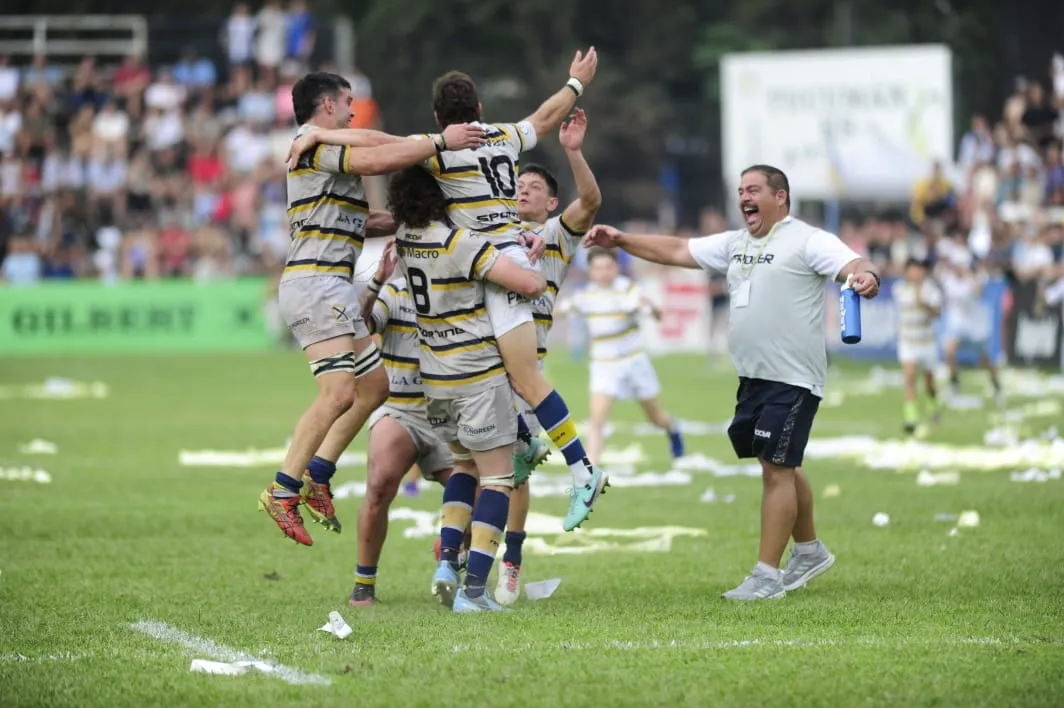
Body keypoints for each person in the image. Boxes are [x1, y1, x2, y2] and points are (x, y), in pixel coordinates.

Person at [583, 164, 881, 601]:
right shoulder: (736, 243)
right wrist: (623, 240)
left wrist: (867, 276)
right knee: (777, 461)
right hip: (753, 377)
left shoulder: (808, 240)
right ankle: (811, 551)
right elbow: (678, 250)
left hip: (793, 377)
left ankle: (766, 576)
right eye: (741, 190)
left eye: (754, 189)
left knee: (777, 469)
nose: (744, 197)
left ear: (781, 197)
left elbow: (855, 262)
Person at [259, 72, 485, 547]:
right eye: (346, 102)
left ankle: (319, 472)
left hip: (331, 282)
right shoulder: (312, 146)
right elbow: (381, 155)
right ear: (325, 107)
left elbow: (369, 213)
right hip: (315, 282)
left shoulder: (322, 143)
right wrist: (440, 143)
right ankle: (283, 490)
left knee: (374, 386)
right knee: (339, 392)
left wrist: (419, 215)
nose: (352, 109)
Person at [389, 165, 547, 612]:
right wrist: (521, 255)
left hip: (434, 378)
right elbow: (530, 285)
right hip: (476, 374)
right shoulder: (458, 242)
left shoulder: (405, 239)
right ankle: (474, 588)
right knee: (498, 480)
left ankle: (445, 568)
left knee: (462, 468)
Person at [493, 109, 605, 605]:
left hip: (524, 366)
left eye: (534, 187)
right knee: (496, 468)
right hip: (484, 363)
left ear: (551, 202)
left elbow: (593, 201)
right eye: (518, 184)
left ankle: (509, 565)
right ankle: (462, 552)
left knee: (508, 476)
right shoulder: (494, 230)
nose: (523, 191)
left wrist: (574, 150)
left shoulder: (557, 234)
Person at [347, 241, 455, 606]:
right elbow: (360, 324)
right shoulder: (395, 291)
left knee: (474, 494)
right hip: (400, 409)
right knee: (379, 486)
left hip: (449, 412)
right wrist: (377, 281)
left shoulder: (459, 287)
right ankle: (364, 583)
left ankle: (452, 551)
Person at [557, 247, 685, 465]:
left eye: (608, 267)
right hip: (604, 365)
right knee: (597, 420)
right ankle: (591, 472)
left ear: (616, 268)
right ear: (590, 271)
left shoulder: (628, 290)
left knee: (655, 417)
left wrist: (650, 306)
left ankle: (672, 429)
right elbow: (558, 311)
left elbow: (657, 315)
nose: (603, 272)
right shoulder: (585, 295)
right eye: (597, 268)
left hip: (634, 362)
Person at [938, 249, 1004, 405]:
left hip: (976, 328)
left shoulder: (976, 278)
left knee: (985, 360)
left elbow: (978, 292)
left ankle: (996, 386)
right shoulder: (948, 280)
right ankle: (954, 384)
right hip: (958, 325)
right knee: (949, 350)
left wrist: (968, 275)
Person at [894, 258, 943, 435]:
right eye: (912, 270)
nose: (915, 274)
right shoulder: (899, 289)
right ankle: (911, 418)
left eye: (918, 270)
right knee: (910, 376)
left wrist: (925, 304)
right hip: (907, 341)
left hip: (926, 342)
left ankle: (933, 405)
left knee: (929, 381)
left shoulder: (932, 290)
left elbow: (938, 312)